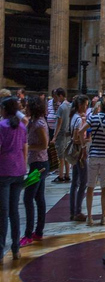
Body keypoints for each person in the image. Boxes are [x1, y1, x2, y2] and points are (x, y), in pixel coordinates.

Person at [0, 97, 27, 260]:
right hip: (19, 170)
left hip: (4, 171)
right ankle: (16, 249)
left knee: (2, 213)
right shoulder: (21, 126)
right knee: (14, 211)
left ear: (4, 109)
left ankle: (1, 251)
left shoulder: (1, 126)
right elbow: (24, 148)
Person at [20, 96, 49, 246]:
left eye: (28, 107)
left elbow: (44, 145)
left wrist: (27, 148)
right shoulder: (33, 122)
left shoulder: (39, 124)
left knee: (28, 198)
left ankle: (29, 234)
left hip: (39, 164)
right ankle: (38, 232)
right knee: (38, 198)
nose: (26, 109)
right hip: (36, 163)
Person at [85, 97, 105, 226]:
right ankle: (104, 216)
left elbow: (82, 130)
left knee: (90, 187)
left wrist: (83, 145)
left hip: (93, 154)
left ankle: (89, 217)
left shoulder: (92, 118)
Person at [68, 95, 89, 221]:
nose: (86, 108)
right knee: (83, 182)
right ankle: (78, 211)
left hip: (75, 153)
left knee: (74, 183)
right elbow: (76, 138)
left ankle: (73, 211)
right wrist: (86, 141)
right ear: (80, 105)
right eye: (86, 105)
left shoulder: (74, 117)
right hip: (79, 153)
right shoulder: (78, 119)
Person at [51, 90, 72, 183]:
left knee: (61, 156)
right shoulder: (70, 106)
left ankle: (60, 176)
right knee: (66, 155)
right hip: (68, 134)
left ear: (60, 96)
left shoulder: (61, 107)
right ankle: (67, 174)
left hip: (62, 134)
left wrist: (54, 136)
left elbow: (59, 123)